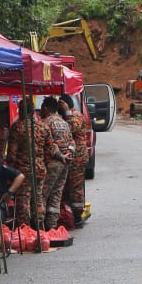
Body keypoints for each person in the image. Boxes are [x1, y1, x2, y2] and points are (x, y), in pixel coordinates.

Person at [5, 103, 48, 229]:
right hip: (40, 169)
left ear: (21, 111)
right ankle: (39, 226)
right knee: (38, 197)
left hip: (23, 171)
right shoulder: (43, 126)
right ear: (33, 111)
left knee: (24, 200)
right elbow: (50, 150)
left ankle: (25, 229)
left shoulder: (17, 127)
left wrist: (10, 168)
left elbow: (11, 154)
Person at [39, 97, 74, 230]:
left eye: (42, 107)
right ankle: (52, 227)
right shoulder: (64, 123)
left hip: (53, 163)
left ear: (46, 108)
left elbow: (49, 144)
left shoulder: (45, 123)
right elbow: (72, 141)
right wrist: (69, 155)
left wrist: (60, 156)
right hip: (65, 164)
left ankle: (40, 227)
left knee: (43, 194)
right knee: (56, 195)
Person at [59, 93, 91, 228]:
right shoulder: (67, 116)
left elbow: (71, 128)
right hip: (72, 156)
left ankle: (78, 215)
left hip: (78, 156)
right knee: (69, 186)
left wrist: (66, 112)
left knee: (75, 186)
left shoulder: (75, 115)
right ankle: (70, 212)